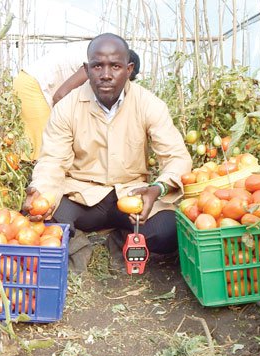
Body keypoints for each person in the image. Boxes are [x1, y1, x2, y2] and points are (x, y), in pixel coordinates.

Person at [22, 33, 191, 271]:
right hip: (82, 196)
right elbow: (52, 161)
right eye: (97, 66)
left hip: (130, 196)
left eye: (115, 66)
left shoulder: (148, 104)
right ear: (87, 69)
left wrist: (158, 188)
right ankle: (83, 241)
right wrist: (42, 193)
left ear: (129, 69)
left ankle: (119, 239)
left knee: (169, 231)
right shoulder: (68, 107)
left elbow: (176, 156)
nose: (106, 75)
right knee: (42, 220)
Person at [13, 44, 141, 161]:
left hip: (38, 86)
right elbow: (60, 96)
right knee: (45, 147)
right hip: (32, 84)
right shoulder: (96, 65)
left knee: (43, 146)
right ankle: (36, 184)